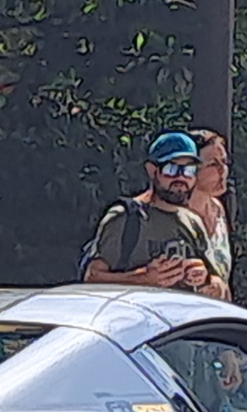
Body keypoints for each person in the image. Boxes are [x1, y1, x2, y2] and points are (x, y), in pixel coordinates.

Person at [82, 132, 229, 299]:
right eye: (171, 169)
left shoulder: (192, 222)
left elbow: (219, 284)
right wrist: (144, 279)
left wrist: (204, 279)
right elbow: (92, 278)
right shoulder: (125, 218)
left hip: (183, 323)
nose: (180, 178)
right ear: (152, 171)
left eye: (188, 170)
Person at [183, 127, 235, 292]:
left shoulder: (218, 210)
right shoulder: (173, 214)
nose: (223, 171)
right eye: (213, 164)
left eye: (224, 162)